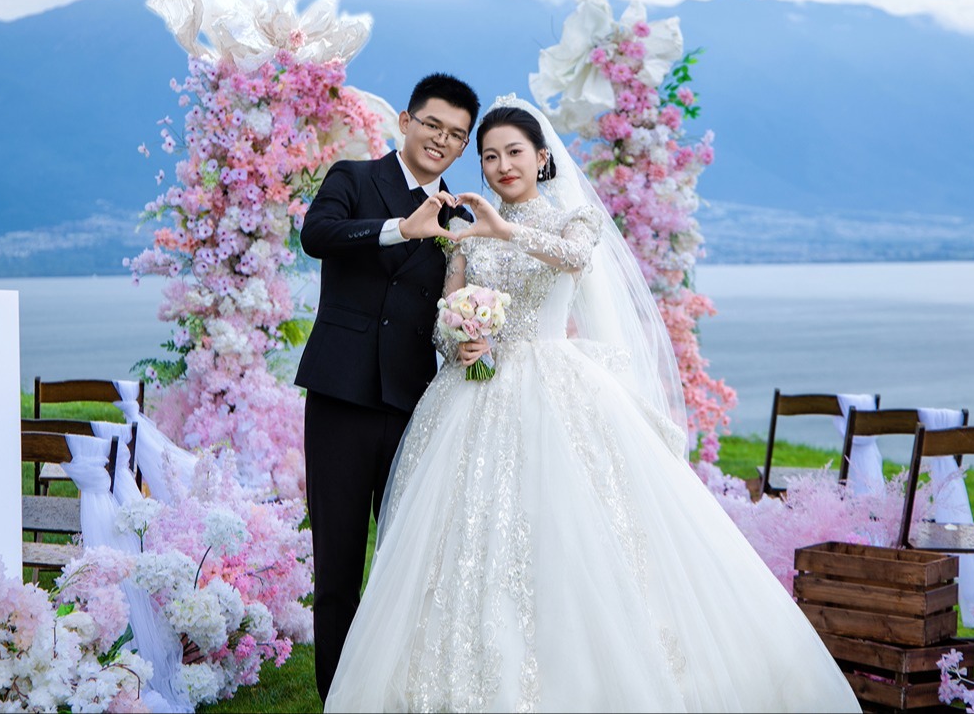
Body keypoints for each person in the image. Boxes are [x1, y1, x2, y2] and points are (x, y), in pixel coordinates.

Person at [324, 97, 861, 712]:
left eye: (514, 153)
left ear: (542, 158)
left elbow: (577, 259)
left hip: (553, 387)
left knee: (570, 529)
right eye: (490, 156)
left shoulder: (573, 220)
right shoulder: (466, 233)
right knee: (467, 539)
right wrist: (461, 339)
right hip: (472, 394)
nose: (502, 166)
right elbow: (448, 312)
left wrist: (506, 230)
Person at [295, 72, 482, 701]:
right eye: (432, 124)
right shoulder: (353, 178)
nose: (441, 140)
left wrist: (472, 336)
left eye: (456, 135)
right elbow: (316, 236)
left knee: (406, 562)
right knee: (339, 564)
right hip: (340, 396)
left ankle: (394, 695)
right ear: (405, 122)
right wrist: (402, 228)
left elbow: (455, 310)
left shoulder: (460, 219)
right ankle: (336, 698)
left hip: (412, 405)